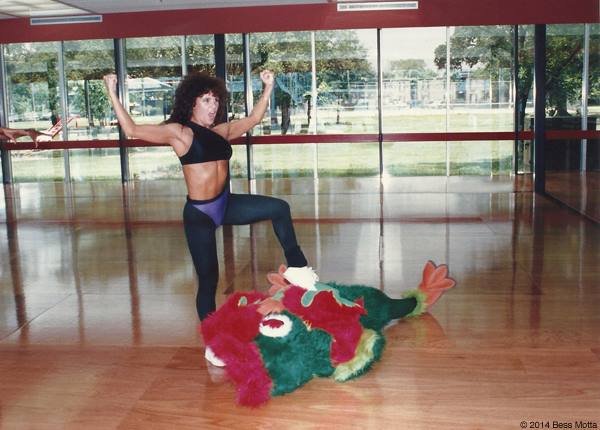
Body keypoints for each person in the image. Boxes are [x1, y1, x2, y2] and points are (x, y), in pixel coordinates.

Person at [103, 70, 318, 323]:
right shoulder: (180, 133)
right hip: (200, 215)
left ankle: (298, 268)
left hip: (226, 205)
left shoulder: (221, 132)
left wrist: (268, 87)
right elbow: (131, 129)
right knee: (208, 281)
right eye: (206, 100)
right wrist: (112, 92)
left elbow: (254, 118)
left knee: (279, 208)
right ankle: (212, 337)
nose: (213, 105)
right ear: (191, 102)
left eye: (216, 100)